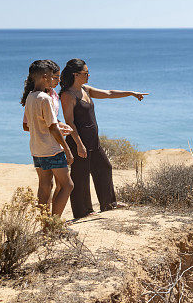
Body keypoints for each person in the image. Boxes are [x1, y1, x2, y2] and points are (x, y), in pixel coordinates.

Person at [59, 59, 147, 219]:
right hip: (79, 142)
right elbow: (69, 122)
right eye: (85, 73)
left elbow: (108, 93)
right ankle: (83, 212)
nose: (88, 75)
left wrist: (131, 93)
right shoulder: (68, 95)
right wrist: (79, 144)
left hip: (93, 140)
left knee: (104, 168)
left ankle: (108, 204)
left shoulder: (85, 89)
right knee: (80, 176)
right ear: (75, 74)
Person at [21, 60, 74, 216]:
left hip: (37, 149)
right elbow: (52, 127)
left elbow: (35, 124)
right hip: (51, 149)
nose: (55, 80)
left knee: (45, 186)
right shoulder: (45, 99)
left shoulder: (30, 97)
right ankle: (54, 223)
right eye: (53, 77)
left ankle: (45, 225)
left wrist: (58, 125)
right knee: (67, 185)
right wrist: (67, 149)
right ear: (45, 77)